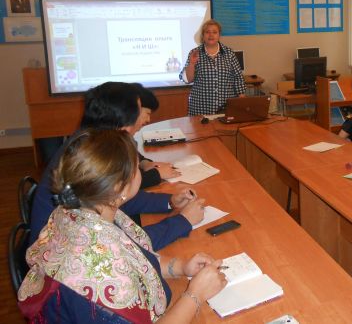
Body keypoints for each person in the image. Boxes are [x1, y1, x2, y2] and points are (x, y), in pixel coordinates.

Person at [18, 129, 227, 323]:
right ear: (120, 188)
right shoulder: (100, 274)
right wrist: (194, 295)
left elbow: (134, 258)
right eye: (137, 168)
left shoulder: (80, 211)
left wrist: (179, 267)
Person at [29, 82, 204, 251]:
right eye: (138, 112)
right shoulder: (95, 160)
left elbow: (121, 200)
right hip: (63, 250)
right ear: (124, 128)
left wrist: (169, 201)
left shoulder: (91, 146)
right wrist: (182, 221)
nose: (141, 120)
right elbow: (124, 248)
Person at [179, 19, 245, 115]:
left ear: (219, 35)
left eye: (214, 32)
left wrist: (242, 102)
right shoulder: (195, 53)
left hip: (226, 108)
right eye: (207, 32)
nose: (211, 35)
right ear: (203, 35)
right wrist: (192, 64)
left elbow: (238, 78)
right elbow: (187, 80)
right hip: (200, 109)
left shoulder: (229, 53)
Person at [131, 83, 181, 188]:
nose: (148, 120)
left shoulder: (125, 137)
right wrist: (157, 174)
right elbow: (123, 186)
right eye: (147, 113)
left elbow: (133, 154)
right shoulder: (110, 144)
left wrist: (145, 163)